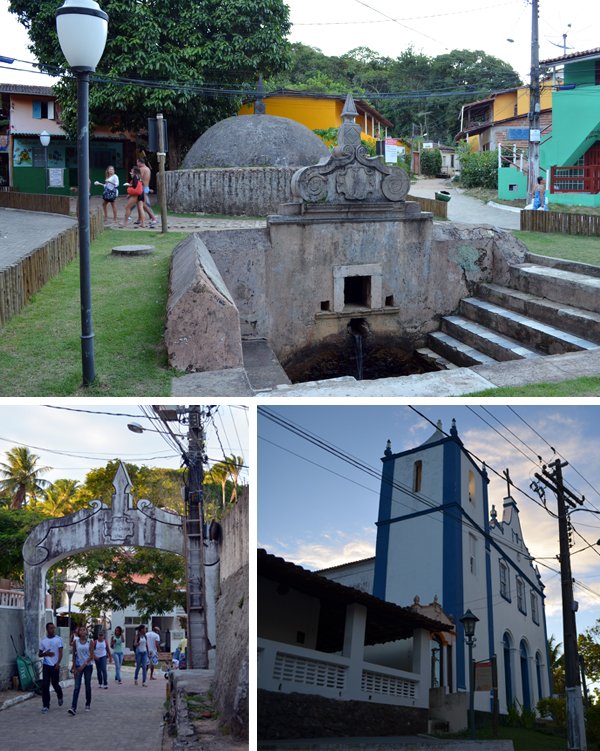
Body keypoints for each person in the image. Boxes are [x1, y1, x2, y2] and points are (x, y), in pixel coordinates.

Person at [69, 626, 95, 715]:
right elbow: (74, 655)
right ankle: (73, 707)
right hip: (78, 666)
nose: (83, 631)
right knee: (76, 687)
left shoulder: (90, 642)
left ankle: (88, 703)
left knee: (87, 685)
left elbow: (91, 656)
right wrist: (74, 667)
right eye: (81, 630)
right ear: (79, 632)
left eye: (84, 630)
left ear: (86, 632)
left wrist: (83, 665)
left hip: (87, 666)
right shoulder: (76, 642)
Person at [38, 622, 64, 713]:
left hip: (55, 665)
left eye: (54, 628)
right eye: (51, 628)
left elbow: (60, 652)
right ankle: (46, 705)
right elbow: (39, 654)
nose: (53, 630)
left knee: (55, 684)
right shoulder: (43, 640)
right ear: (47, 629)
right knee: (45, 685)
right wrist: (46, 654)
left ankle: (60, 695)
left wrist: (58, 663)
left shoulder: (58, 639)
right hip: (46, 665)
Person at [136, 157, 158, 228]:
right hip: (146, 187)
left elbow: (139, 178)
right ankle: (139, 219)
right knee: (140, 203)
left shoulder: (142, 169)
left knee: (144, 204)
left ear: (139, 162)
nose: (137, 164)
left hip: (142, 187)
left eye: (137, 162)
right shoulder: (147, 168)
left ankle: (153, 217)